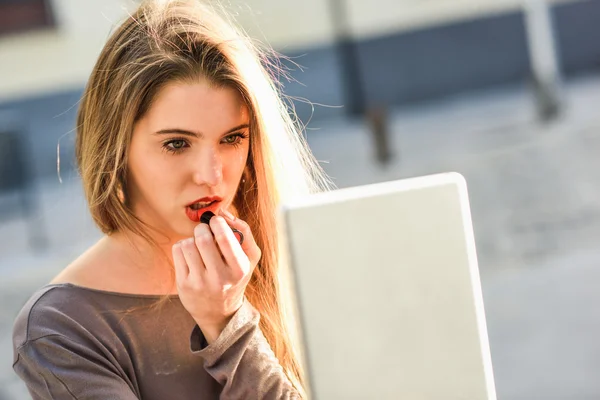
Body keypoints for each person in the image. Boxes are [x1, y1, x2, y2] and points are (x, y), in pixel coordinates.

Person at [12, 0, 331, 398]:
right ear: (116, 149)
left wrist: (229, 317)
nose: (211, 175)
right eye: (177, 144)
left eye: (232, 138)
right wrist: (230, 329)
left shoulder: (281, 258)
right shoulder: (60, 328)